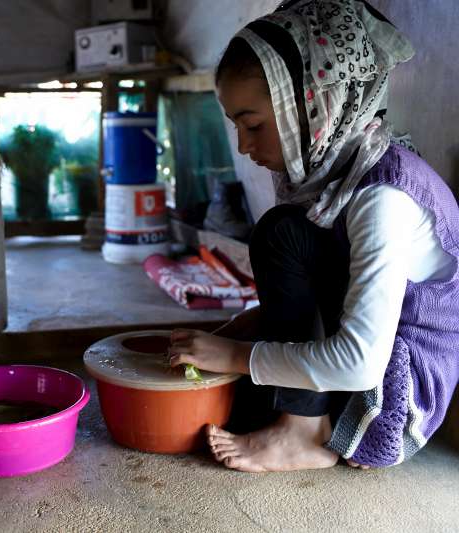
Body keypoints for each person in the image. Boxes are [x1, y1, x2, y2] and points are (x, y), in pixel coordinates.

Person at [169, 0, 459, 472]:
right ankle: (302, 416)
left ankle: (302, 433)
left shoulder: (381, 196)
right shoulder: (339, 171)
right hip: (372, 356)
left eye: (254, 124)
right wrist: (256, 325)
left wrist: (238, 354)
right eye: (236, 126)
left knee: (280, 237)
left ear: (312, 106)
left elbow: (362, 362)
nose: (244, 145)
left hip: (398, 392)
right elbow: (339, 287)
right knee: (283, 236)